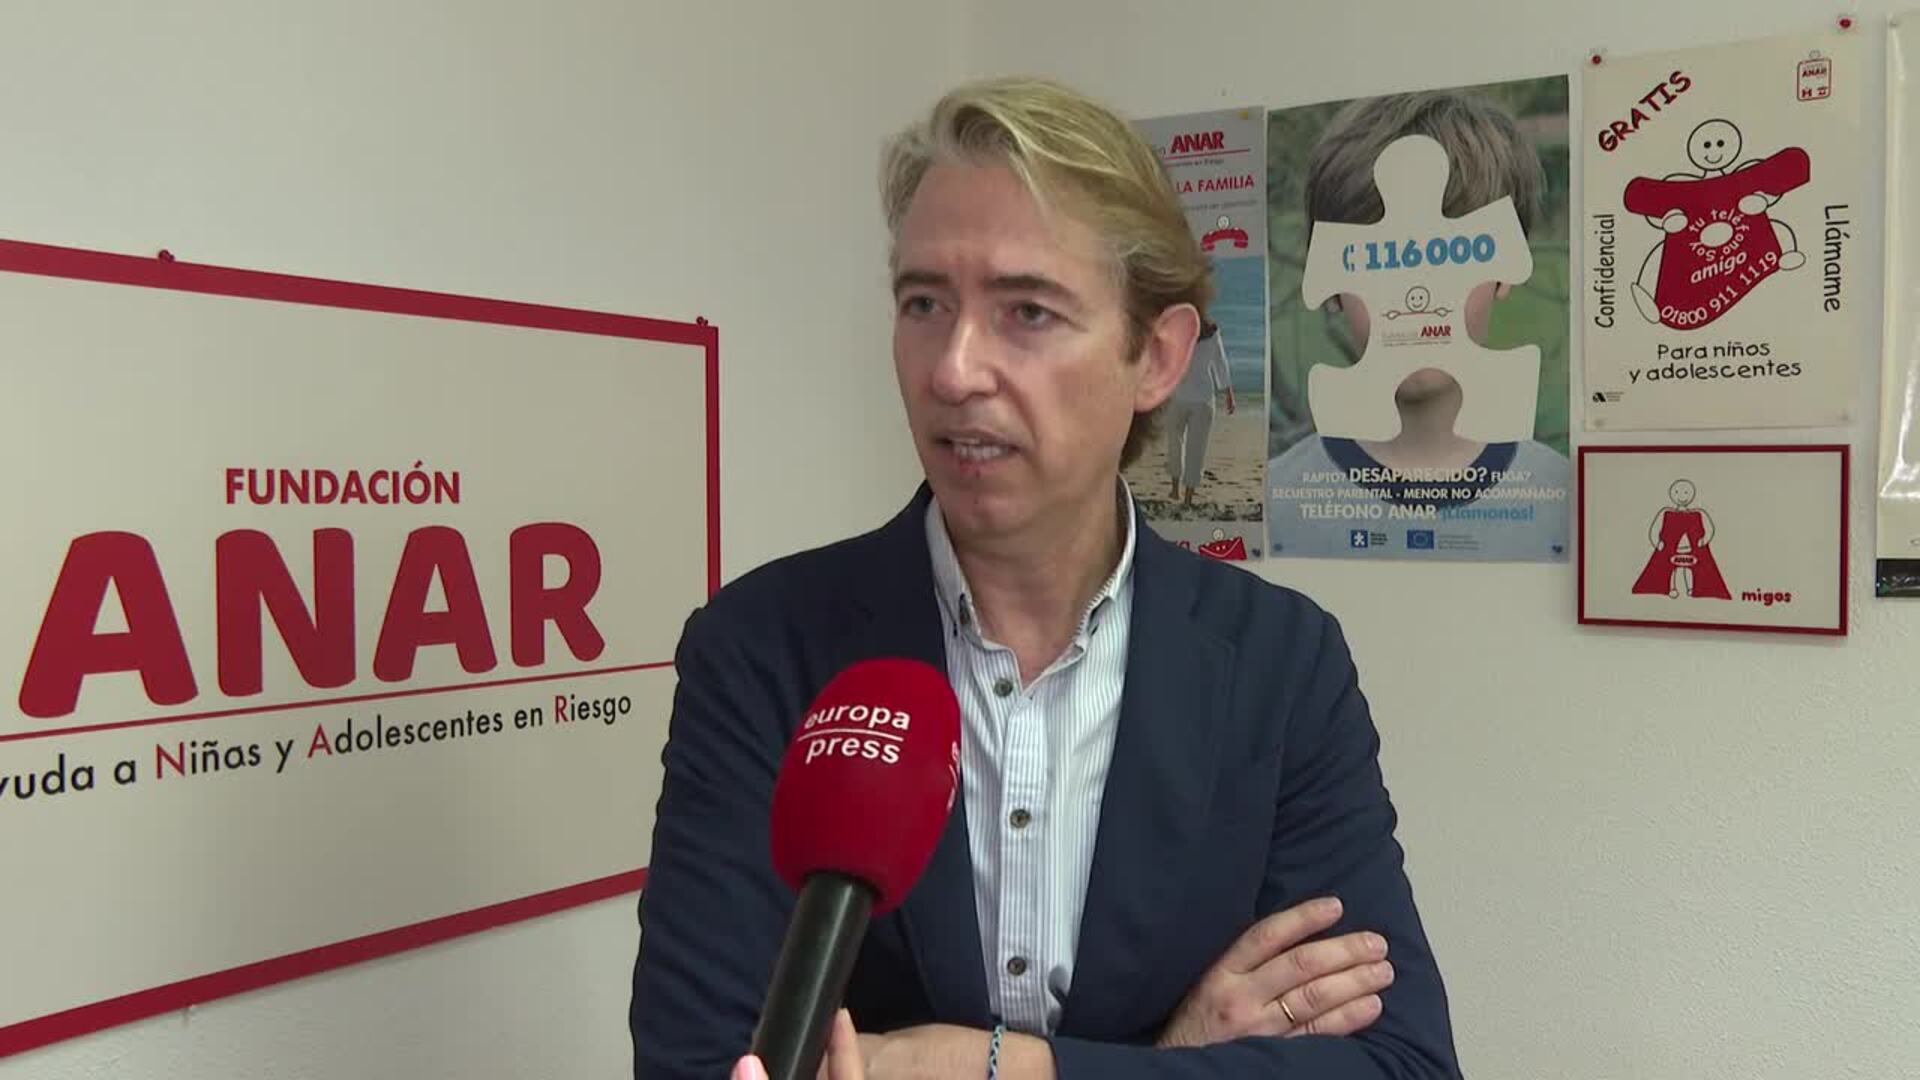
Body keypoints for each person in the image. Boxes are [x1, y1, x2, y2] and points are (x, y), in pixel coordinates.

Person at [633, 75, 1461, 1079]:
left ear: (1157, 357)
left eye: (1026, 310)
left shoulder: (1280, 663)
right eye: (924, 303)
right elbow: (699, 1064)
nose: (952, 370)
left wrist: (997, 1067)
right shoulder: (763, 647)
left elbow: (1401, 1065)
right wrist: (1175, 1053)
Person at [1266, 91, 1570, 559]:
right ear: (1329, 281)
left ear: (1506, 269)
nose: (1415, 297)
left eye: (1449, 256)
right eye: (1377, 260)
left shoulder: (1569, 509)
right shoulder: (1271, 509)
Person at [1164, 320, 1235, 505]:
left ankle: (1175, 490)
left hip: (1178, 396)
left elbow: (1166, 362)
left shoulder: (1178, 327)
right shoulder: (1212, 332)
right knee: (1196, 449)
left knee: (1175, 443)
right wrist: (1228, 393)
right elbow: (1220, 363)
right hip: (1202, 399)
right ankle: (1187, 497)